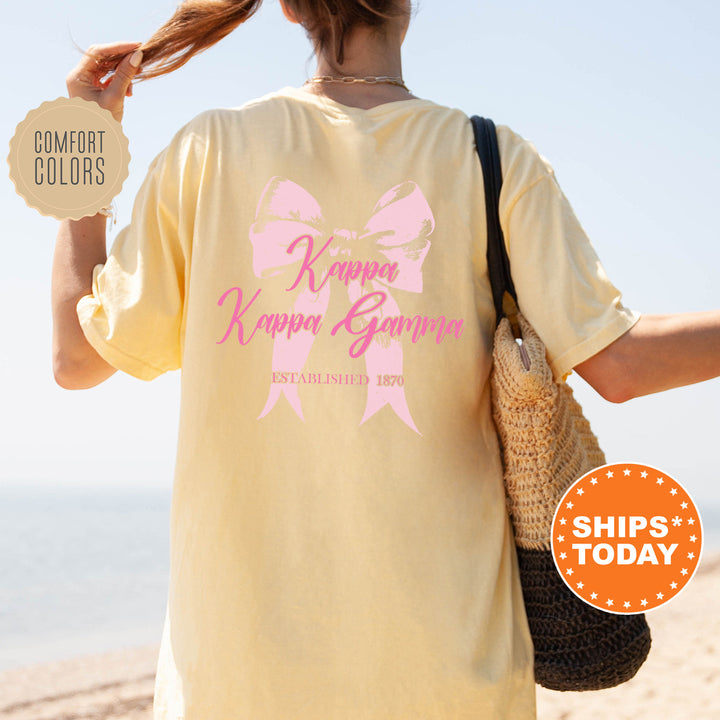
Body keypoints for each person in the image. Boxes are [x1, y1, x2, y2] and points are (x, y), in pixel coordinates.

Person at [52, 1, 720, 719]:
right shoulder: (491, 160)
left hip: (237, 677)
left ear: (286, 8)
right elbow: (620, 366)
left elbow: (76, 359)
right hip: (451, 670)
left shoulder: (208, 150)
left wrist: (86, 143)